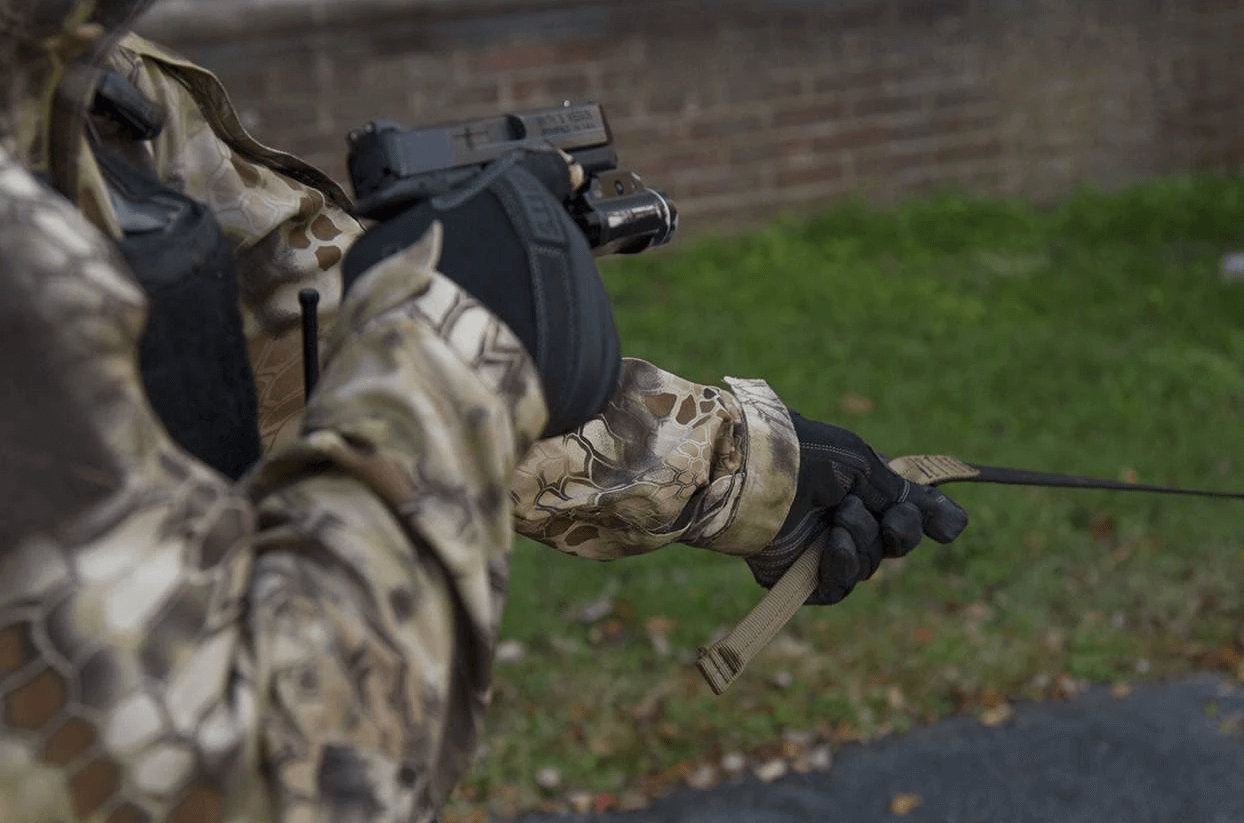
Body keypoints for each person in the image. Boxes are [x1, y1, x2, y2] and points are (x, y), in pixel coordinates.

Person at [0, 3, 967, 822]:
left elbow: (305, 322)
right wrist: (453, 348)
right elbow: (236, 771)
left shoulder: (85, 88)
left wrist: (745, 472)